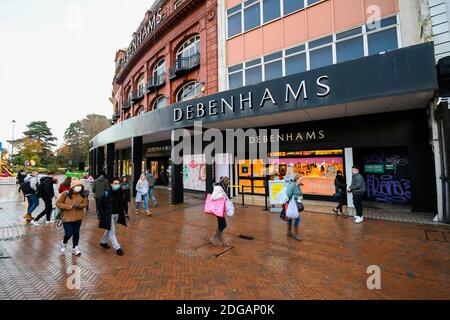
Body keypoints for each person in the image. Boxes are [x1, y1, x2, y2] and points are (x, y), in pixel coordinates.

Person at [56, 178, 88, 256]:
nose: (79, 187)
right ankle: (63, 243)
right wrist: (68, 206)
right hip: (67, 218)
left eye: (80, 186)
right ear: (73, 186)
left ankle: (75, 248)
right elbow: (58, 204)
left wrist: (80, 205)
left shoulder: (83, 194)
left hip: (78, 217)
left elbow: (85, 204)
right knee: (69, 233)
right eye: (77, 185)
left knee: (76, 233)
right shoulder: (65, 194)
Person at [99, 177, 127, 256]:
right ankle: (117, 248)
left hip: (117, 214)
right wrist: (103, 214)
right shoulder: (107, 192)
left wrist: (124, 211)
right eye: (115, 184)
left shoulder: (121, 192)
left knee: (109, 229)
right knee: (112, 231)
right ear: (111, 184)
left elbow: (123, 202)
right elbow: (100, 205)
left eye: (118, 184)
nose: (117, 185)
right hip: (109, 215)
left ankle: (103, 242)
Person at [209, 176, 230, 246]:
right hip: (218, 209)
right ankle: (215, 237)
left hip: (221, 209)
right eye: (228, 182)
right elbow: (213, 197)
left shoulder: (223, 188)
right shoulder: (218, 188)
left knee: (221, 224)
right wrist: (222, 195)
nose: (228, 183)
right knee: (223, 224)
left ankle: (220, 239)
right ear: (224, 182)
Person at [286, 173, 303, 241]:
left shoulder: (297, 185)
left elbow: (300, 193)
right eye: (300, 179)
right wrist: (297, 196)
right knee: (297, 218)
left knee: (290, 218)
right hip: (291, 204)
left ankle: (289, 232)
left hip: (296, 203)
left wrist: (300, 196)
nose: (301, 181)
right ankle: (296, 234)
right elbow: (288, 195)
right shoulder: (292, 185)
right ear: (296, 179)